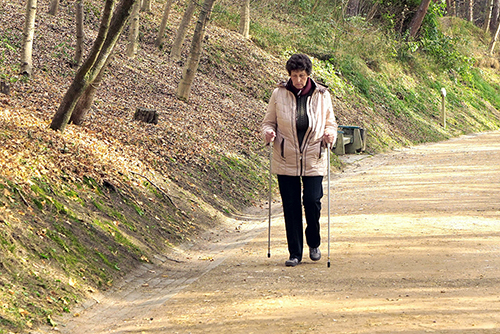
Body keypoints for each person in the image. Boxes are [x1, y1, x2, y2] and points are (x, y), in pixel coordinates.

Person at [262, 53, 337, 267]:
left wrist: (330, 135)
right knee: (291, 206)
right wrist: (268, 133)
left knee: (312, 201)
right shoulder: (279, 94)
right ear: (289, 75)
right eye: (294, 75)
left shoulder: (322, 95)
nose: (298, 80)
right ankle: (295, 252)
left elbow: (330, 123)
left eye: (302, 75)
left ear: (308, 75)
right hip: (286, 157)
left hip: (314, 156)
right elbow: (268, 122)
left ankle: (314, 242)